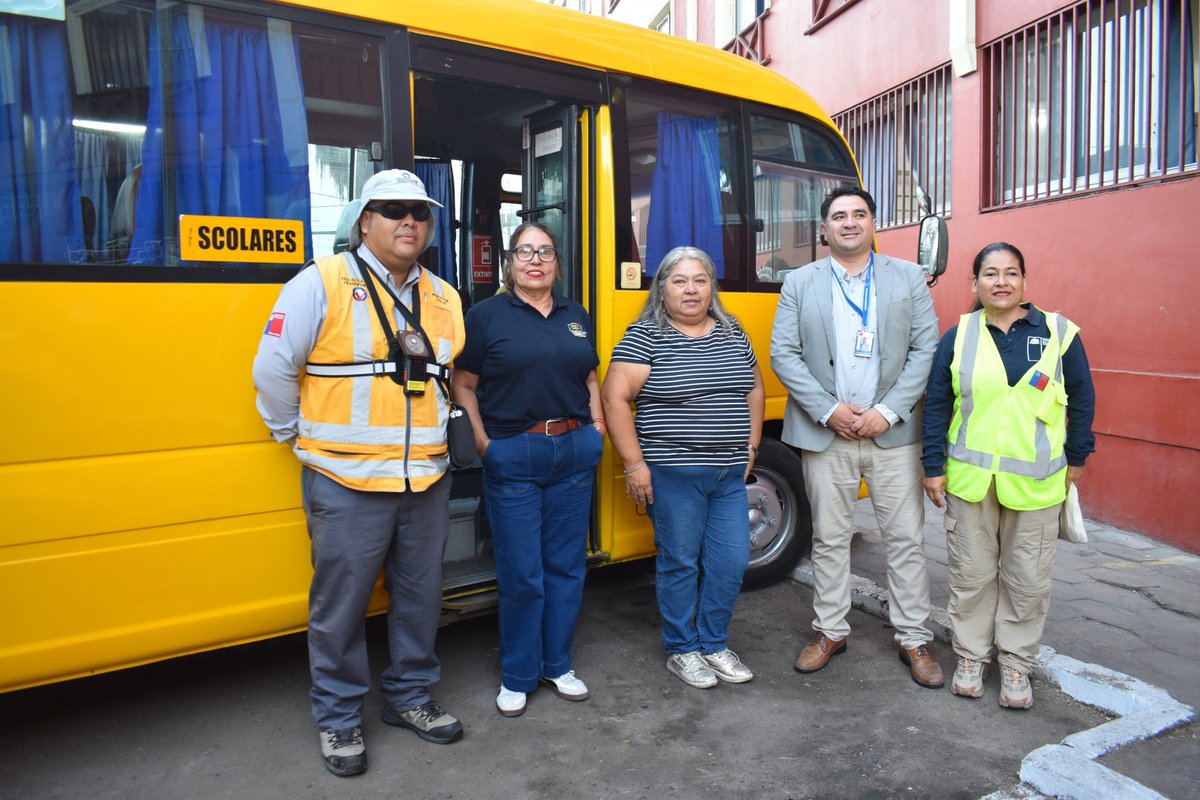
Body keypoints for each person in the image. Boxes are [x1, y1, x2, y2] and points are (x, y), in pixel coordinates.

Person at [252, 169, 466, 777]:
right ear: (364, 222)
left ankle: (409, 696)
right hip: (345, 481)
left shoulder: (445, 296)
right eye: (393, 210)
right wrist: (293, 435)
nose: (409, 222)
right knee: (341, 606)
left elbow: (444, 378)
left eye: (420, 213)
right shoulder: (320, 281)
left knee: (420, 598)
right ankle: (339, 716)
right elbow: (273, 368)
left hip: (425, 480)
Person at [769, 185, 943, 688]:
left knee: (905, 540)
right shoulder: (799, 282)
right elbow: (784, 354)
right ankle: (830, 631)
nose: (849, 222)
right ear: (824, 228)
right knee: (829, 538)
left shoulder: (908, 277)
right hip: (828, 435)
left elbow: (925, 350)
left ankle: (914, 638)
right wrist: (829, 411)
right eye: (839, 216)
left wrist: (887, 412)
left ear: (873, 223)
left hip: (894, 435)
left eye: (859, 214)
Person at [921, 242, 1095, 709]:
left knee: (1027, 580)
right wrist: (932, 466)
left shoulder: (1059, 333)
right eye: (991, 273)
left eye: (1011, 273)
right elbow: (937, 402)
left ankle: (1017, 663)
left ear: (1025, 281)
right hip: (970, 482)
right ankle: (971, 657)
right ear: (974, 282)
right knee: (971, 577)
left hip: (1036, 484)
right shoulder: (959, 335)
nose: (1001, 282)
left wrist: (1078, 457)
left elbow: (1082, 398)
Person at [451, 222, 604, 718]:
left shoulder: (576, 314)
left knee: (566, 567)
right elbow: (463, 383)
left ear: (557, 262)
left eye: (545, 252)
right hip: (515, 453)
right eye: (525, 251)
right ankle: (518, 675)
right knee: (522, 573)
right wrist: (484, 442)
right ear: (509, 262)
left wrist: (598, 426)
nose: (535, 260)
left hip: (574, 451)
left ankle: (558, 665)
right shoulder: (485, 316)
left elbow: (589, 375)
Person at [602, 246, 765, 690]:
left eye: (699, 280)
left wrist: (751, 444)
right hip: (673, 474)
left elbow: (753, 386)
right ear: (662, 290)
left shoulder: (733, 331)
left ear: (712, 287)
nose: (690, 290)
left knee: (731, 560)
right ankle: (682, 648)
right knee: (680, 562)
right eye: (679, 281)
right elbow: (614, 398)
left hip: (727, 473)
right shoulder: (645, 335)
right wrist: (635, 465)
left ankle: (713, 643)